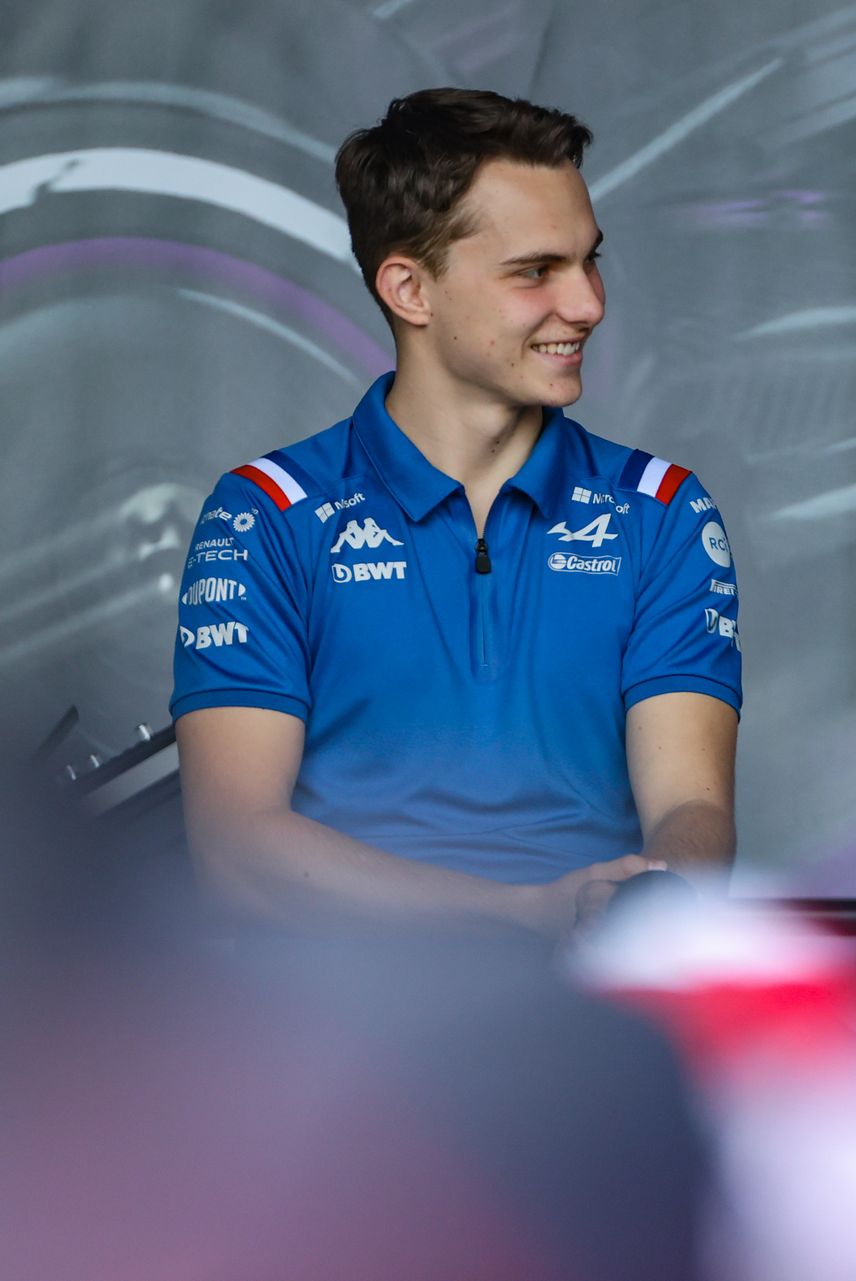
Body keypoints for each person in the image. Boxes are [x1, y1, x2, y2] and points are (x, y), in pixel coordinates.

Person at [172, 89, 742, 940]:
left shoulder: (662, 510)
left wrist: (651, 901)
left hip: (590, 993)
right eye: (536, 271)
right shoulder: (265, 513)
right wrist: (520, 914)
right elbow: (237, 852)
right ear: (410, 289)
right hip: (337, 1004)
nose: (588, 303)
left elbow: (692, 808)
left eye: (589, 261)